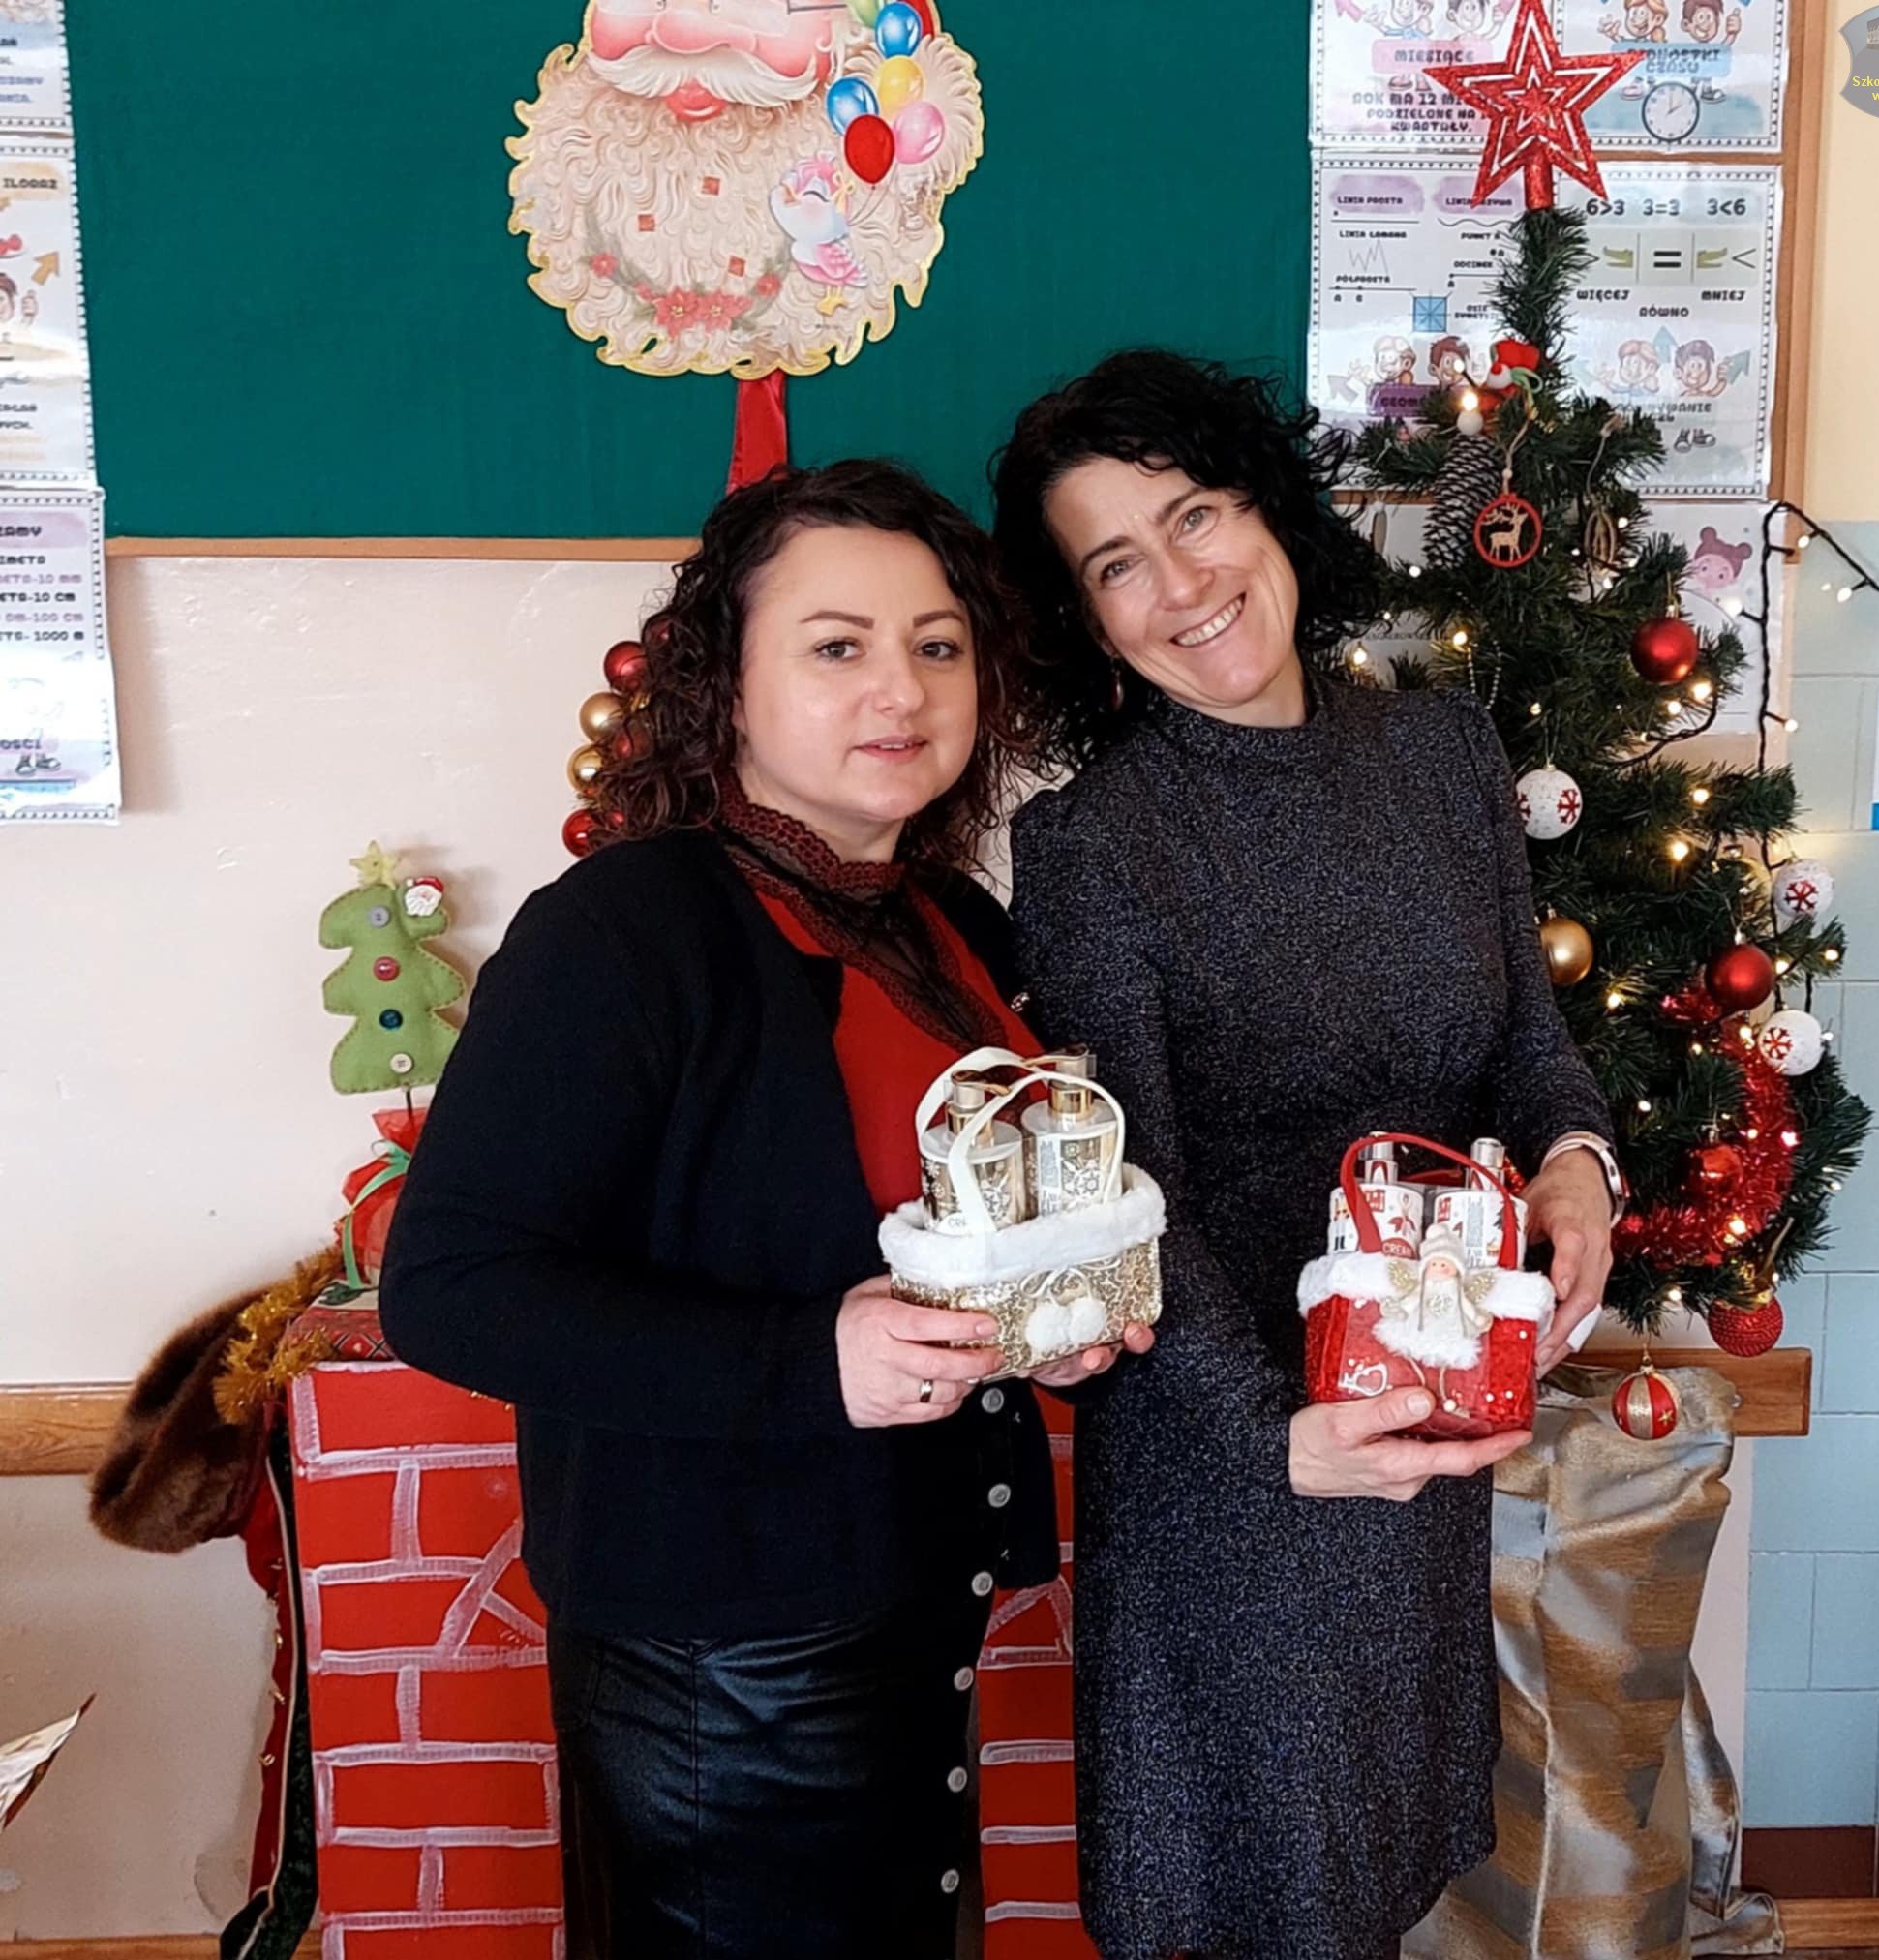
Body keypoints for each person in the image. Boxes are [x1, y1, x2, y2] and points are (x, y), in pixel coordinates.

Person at [380, 459, 1139, 1959]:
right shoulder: (621, 931)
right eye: (837, 645)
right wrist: (810, 1359)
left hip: (915, 1602)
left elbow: (962, 1218)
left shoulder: (951, 924)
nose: (901, 687)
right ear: (727, 684)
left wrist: (1054, 1327)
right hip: (720, 1669)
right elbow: (449, 1286)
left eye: (937, 643)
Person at [990, 351, 1623, 1960]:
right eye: (1115, 563)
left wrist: (1576, 1163)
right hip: (1236, 1464)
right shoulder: (1095, 845)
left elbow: (1527, 1040)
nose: (1180, 582)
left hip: (1422, 1410)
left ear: (1268, 508)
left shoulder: (1443, 757)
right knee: (1262, 1893)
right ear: (1088, 622)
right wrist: (1278, 1434)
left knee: (1381, 1873)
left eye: (1194, 514)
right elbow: (1127, 1205)